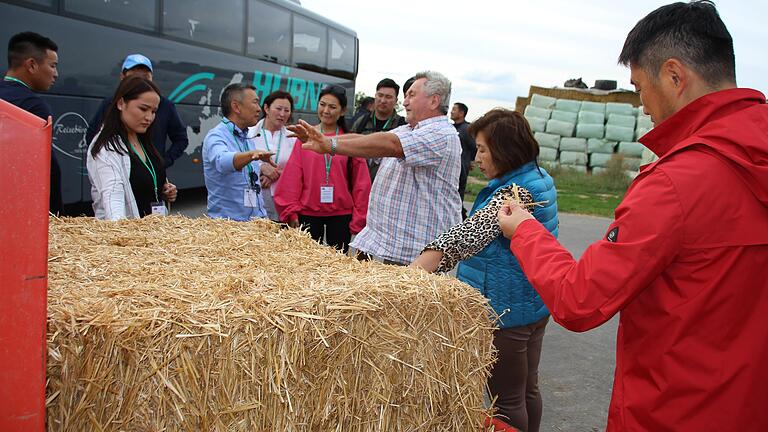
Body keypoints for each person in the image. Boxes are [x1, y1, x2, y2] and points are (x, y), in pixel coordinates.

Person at [497, 2, 768, 430]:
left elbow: (579, 300)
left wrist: (525, 230)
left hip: (672, 411)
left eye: (640, 88)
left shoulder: (677, 182)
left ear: (675, 76)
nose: (642, 106)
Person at [412, 109, 557, 432]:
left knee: (506, 401)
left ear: (505, 151)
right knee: (526, 389)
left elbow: (467, 236)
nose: (476, 157)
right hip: (531, 302)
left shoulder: (516, 193)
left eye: (482, 149)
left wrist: (414, 273)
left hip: (506, 310)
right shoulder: (538, 177)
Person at [288, 71, 462, 265]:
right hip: (403, 248)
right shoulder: (410, 129)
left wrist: (330, 145)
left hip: (420, 253)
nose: (404, 102)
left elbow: (390, 144)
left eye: (411, 95)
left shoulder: (440, 133)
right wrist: (324, 139)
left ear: (434, 101)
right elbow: (363, 139)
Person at [274, 85, 371, 253]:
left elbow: (361, 183)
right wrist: (291, 210)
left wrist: (359, 218)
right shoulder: (305, 137)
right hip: (308, 213)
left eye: (332, 107)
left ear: (342, 111)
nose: (326, 110)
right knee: (307, 263)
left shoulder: (348, 140)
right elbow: (293, 176)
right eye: (322, 104)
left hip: (341, 215)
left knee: (336, 265)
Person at [86, 76, 178, 220]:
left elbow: (145, 177)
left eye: (154, 111)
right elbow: (112, 197)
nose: (149, 117)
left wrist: (163, 189)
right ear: (121, 103)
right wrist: (123, 235)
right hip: (131, 236)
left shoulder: (143, 139)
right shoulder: (108, 147)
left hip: (155, 233)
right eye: (143, 109)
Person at [86, 54, 188, 168]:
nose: (148, 117)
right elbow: (92, 136)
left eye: (146, 76)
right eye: (134, 77)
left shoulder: (166, 106)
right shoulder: (110, 104)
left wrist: (163, 162)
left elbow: (181, 139)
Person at [0, 31, 62, 214]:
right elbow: (41, 170)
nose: (56, 74)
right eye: (53, 66)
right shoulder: (33, 106)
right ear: (32, 65)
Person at [202, 83, 275, 221]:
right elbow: (222, 161)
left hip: (256, 222)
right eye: (255, 102)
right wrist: (251, 155)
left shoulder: (246, 137)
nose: (259, 109)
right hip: (230, 229)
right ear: (236, 107)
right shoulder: (216, 136)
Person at [247, 90, 297, 221]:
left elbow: (299, 168)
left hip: (283, 202)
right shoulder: (248, 134)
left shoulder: (293, 138)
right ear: (266, 108)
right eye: (278, 108)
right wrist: (261, 167)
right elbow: (239, 160)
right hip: (253, 200)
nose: (282, 114)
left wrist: (276, 174)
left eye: (287, 110)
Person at [351, 78, 407, 180]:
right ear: (375, 96)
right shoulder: (361, 123)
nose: (383, 100)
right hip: (360, 183)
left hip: (388, 184)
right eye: (380, 95)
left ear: (396, 101)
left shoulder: (402, 126)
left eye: (388, 97)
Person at [450, 102, 477, 218]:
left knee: (457, 196)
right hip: (451, 168)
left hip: (461, 168)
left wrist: (471, 161)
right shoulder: (451, 127)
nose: (451, 111)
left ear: (461, 113)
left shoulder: (466, 129)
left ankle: (460, 218)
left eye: (454, 109)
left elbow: (474, 146)